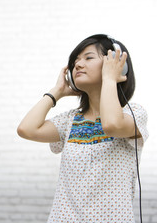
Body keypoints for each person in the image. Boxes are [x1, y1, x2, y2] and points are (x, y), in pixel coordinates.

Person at [17, 34, 149, 222]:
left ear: (117, 63)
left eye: (88, 58)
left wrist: (110, 79)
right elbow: (26, 129)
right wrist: (57, 92)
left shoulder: (134, 113)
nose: (78, 65)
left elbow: (111, 125)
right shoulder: (70, 120)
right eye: (75, 61)